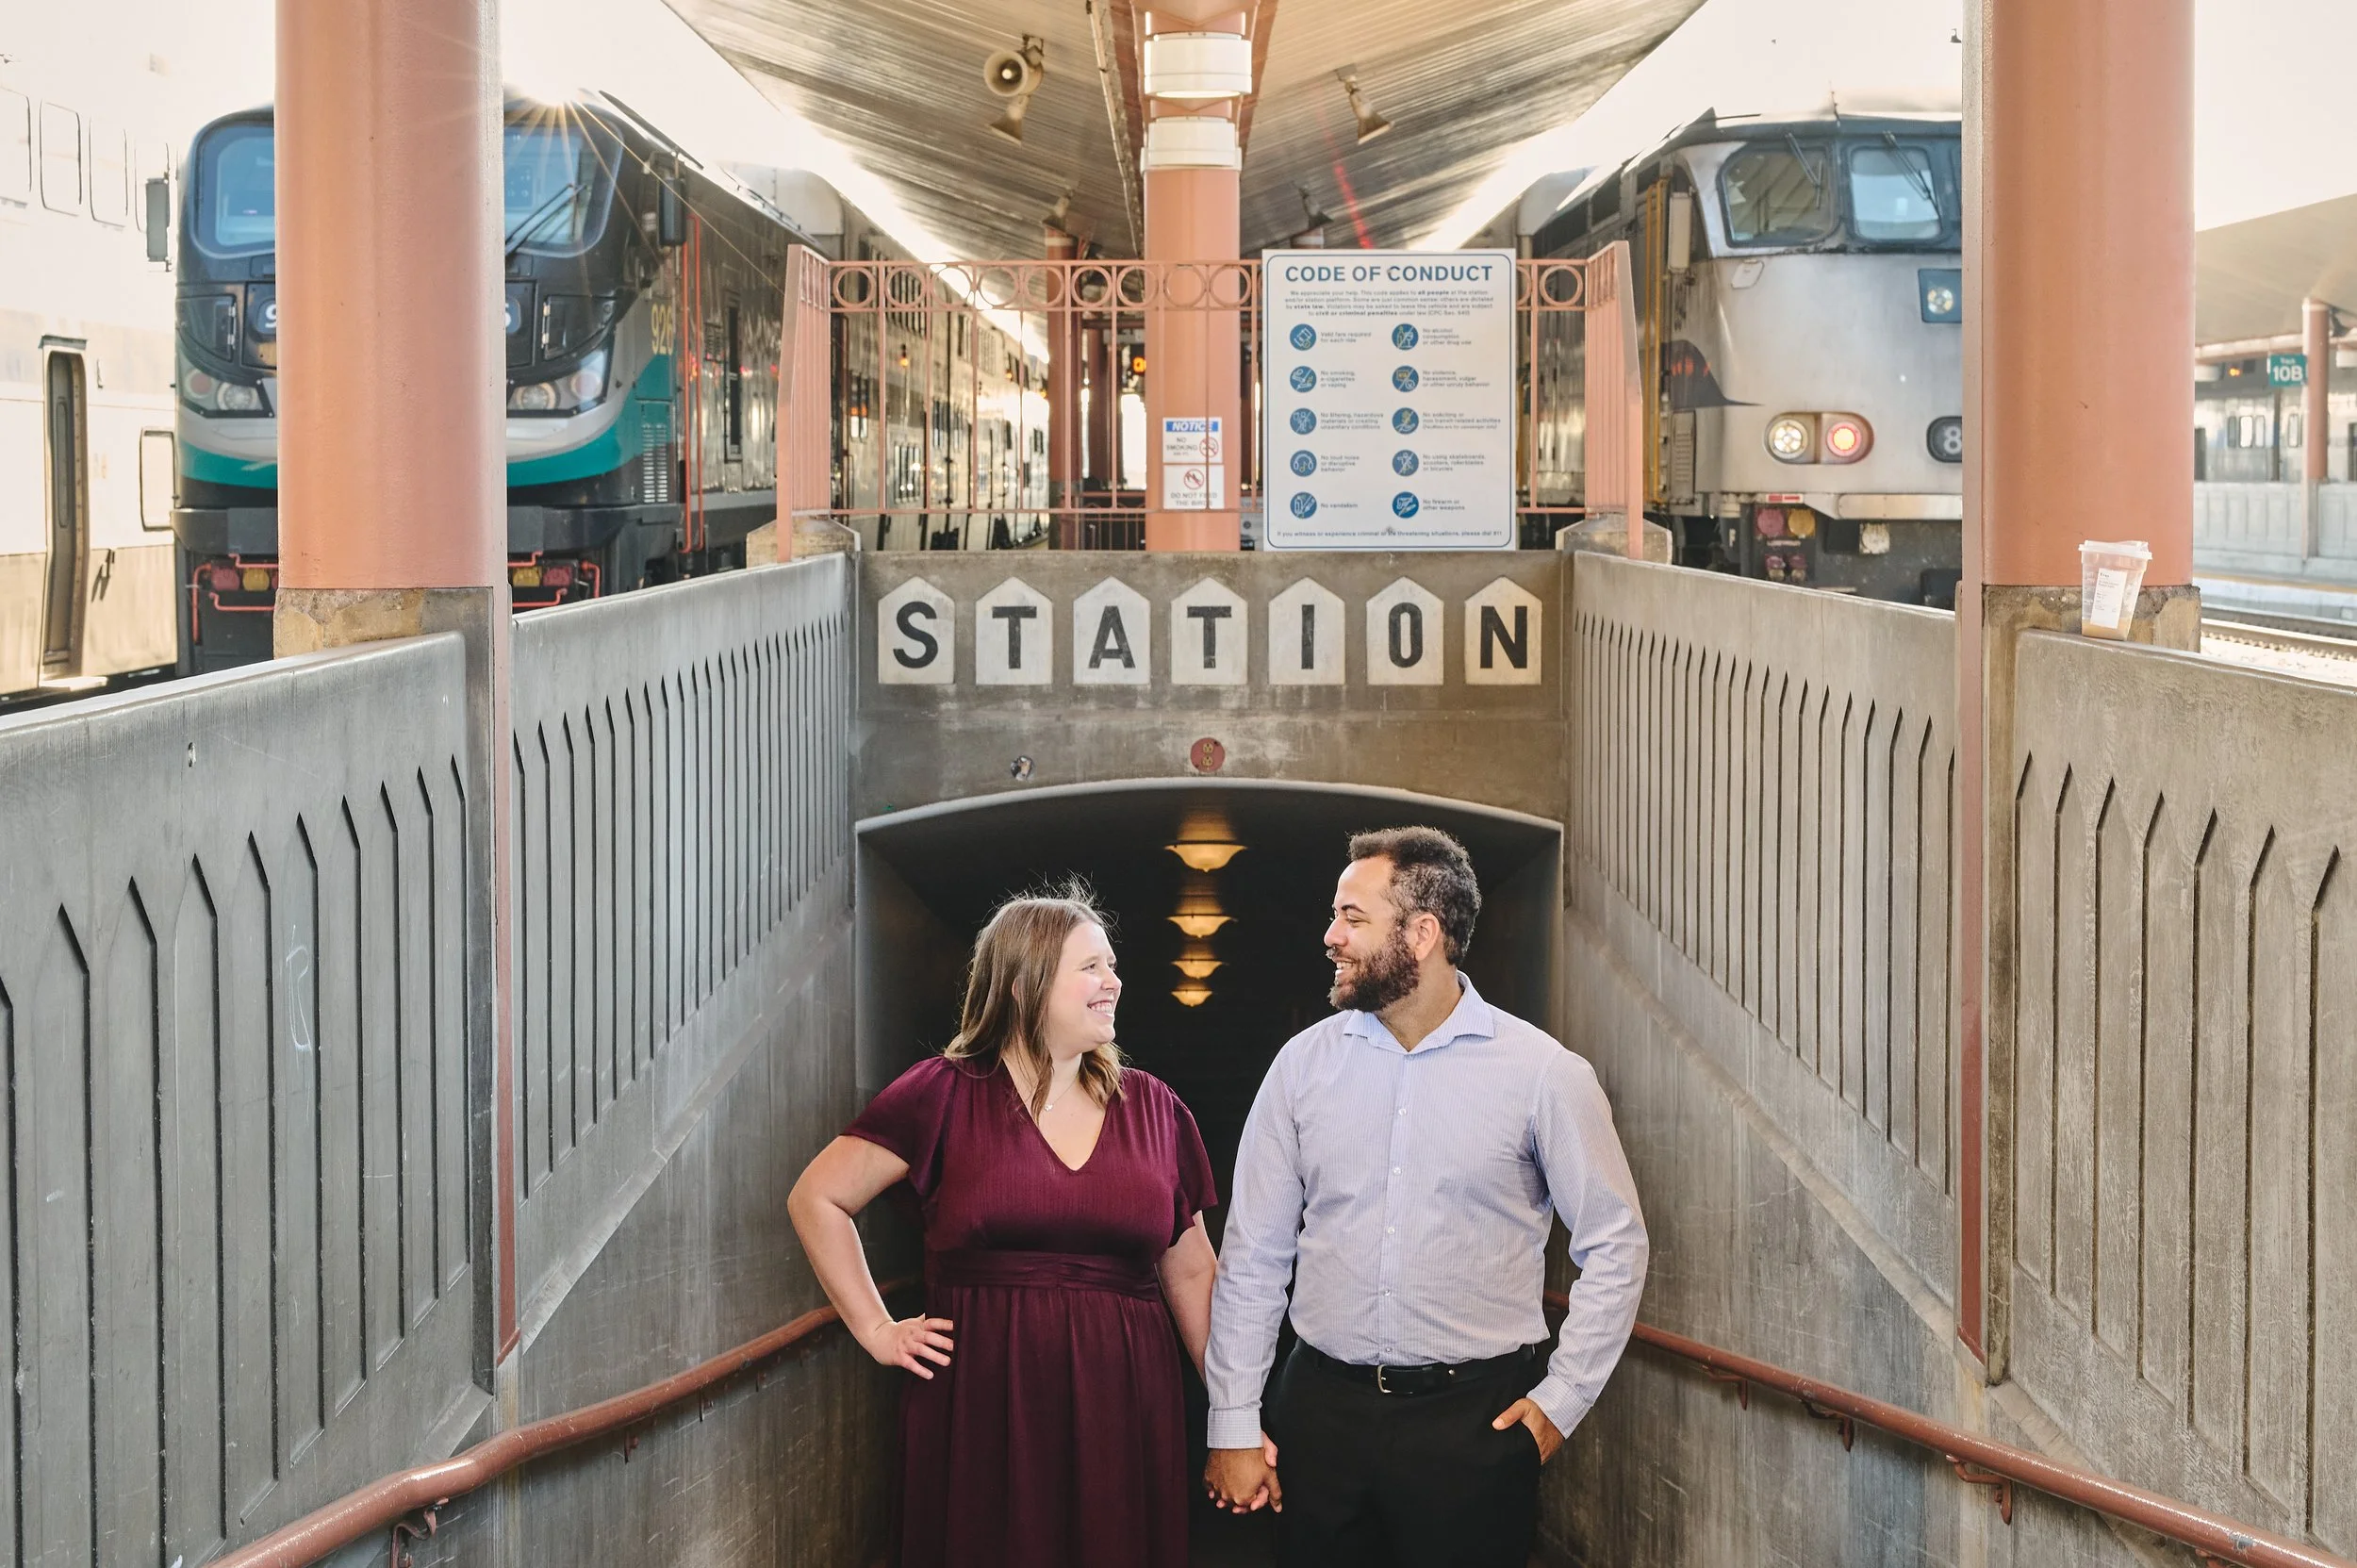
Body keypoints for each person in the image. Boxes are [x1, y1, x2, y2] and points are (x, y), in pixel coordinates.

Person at [1201, 827, 1648, 1567]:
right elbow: (1253, 1255)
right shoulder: (1301, 1068)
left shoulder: (1543, 1073)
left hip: (1474, 1426)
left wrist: (1562, 1400)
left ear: (1422, 933)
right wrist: (1232, 1422)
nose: (1331, 936)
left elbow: (1615, 1241)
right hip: (1320, 1416)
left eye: (1353, 916)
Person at [788, 888, 1219, 1568]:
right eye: (1091, 967)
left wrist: (1236, 1411)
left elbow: (1192, 1270)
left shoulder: (1156, 1109)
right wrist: (876, 1328)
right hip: (980, 1402)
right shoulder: (942, 1092)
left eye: (1112, 965)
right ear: (1024, 983)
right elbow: (819, 1196)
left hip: (1124, 1401)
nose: (1114, 982)